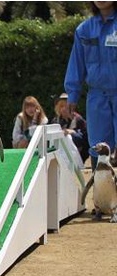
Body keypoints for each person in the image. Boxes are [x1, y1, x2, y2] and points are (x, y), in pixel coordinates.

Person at [64, 1, 117, 170]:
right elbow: (76, 63)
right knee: (98, 147)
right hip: (96, 97)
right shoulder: (84, 30)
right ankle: (101, 194)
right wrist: (72, 93)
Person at [51, 93, 90, 165]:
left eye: (66, 106)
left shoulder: (78, 119)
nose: (63, 109)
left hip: (79, 152)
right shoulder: (55, 121)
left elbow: (85, 139)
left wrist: (72, 132)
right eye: (61, 106)